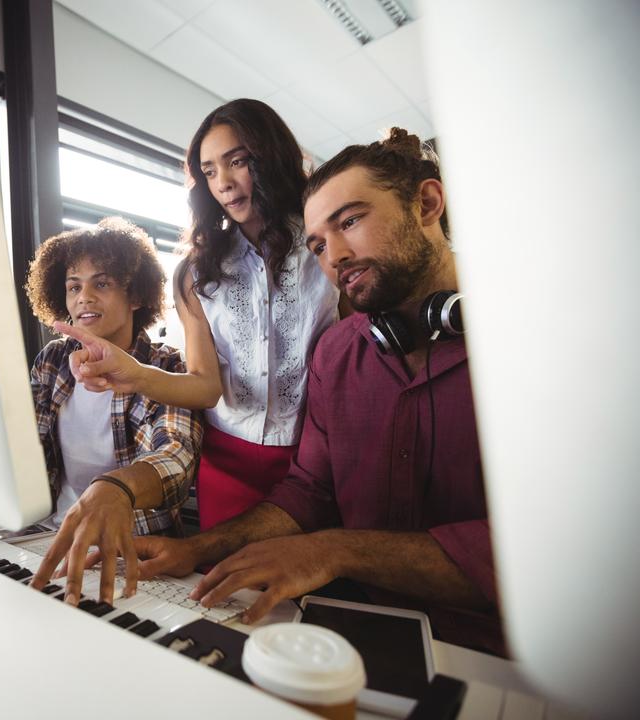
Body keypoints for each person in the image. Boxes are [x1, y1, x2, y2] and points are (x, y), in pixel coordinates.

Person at [126, 129, 504, 655]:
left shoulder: (533, 349)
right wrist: (194, 548)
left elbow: (543, 549)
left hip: (499, 650)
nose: (336, 257)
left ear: (427, 204)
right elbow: (309, 492)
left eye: (350, 221)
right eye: (318, 245)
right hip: (346, 628)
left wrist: (333, 550)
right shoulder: (337, 354)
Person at [57, 99, 339, 535]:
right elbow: (206, 387)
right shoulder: (197, 272)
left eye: (237, 161)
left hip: (317, 463)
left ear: (271, 156)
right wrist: (136, 374)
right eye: (209, 171)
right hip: (227, 465)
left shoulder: (327, 246)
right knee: (224, 594)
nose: (223, 183)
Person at [0, 218, 203, 606]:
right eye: (74, 286)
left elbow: (176, 458)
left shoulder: (166, 368)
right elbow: (22, 443)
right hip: (41, 536)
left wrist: (117, 488)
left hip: (129, 551)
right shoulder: (53, 359)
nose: (83, 297)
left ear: (136, 295)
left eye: (101, 283)